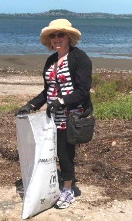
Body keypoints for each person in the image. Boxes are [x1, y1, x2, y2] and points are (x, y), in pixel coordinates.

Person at [15, 18, 92, 209]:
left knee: (65, 154)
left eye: (60, 34)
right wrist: (31, 105)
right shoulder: (51, 60)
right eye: (53, 35)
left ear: (68, 37)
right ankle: (54, 183)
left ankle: (68, 190)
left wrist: (62, 102)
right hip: (51, 116)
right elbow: (47, 90)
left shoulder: (80, 58)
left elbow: (83, 90)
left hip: (70, 116)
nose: (56, 38)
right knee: (50, 152)